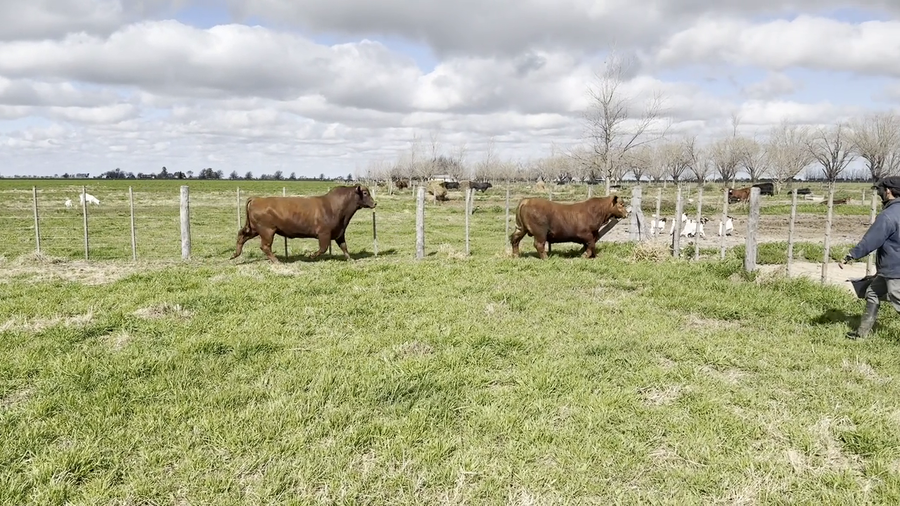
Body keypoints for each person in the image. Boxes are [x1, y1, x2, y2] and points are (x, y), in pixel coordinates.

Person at [841, 176, 900, 339]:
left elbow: (871, 240)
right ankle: (862, 334)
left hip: (895, 270)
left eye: (880, 190)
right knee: (872, 292)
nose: (879, 193)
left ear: (888, 191)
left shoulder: (888, 216)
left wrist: (851, 255)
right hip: (889, 269)